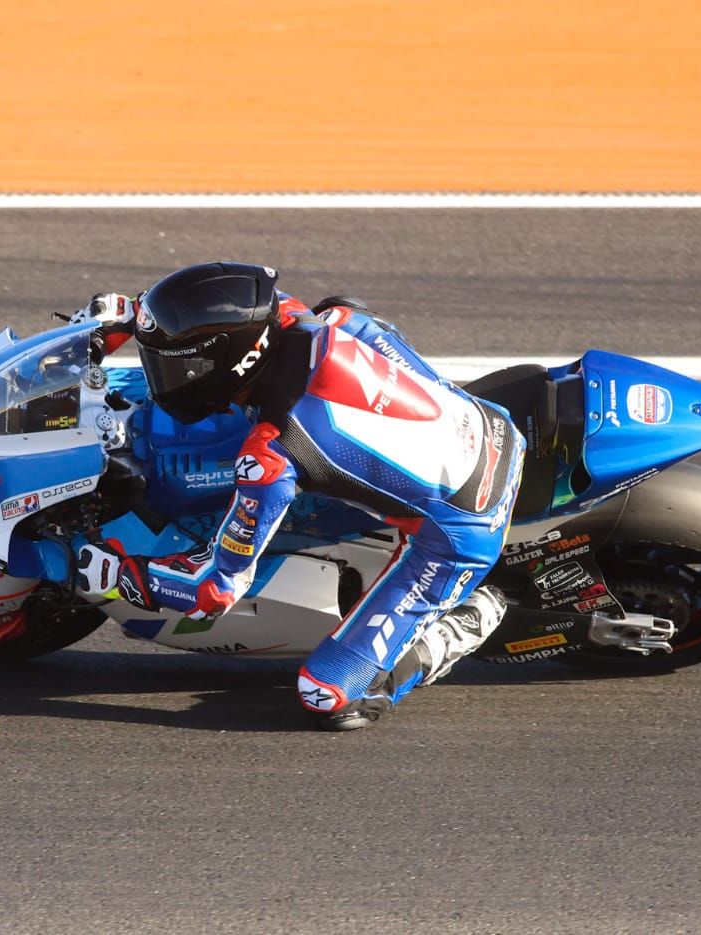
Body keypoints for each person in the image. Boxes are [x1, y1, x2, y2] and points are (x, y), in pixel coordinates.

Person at [72, 262, 524, 730]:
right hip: (484, 421)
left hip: (458, 528)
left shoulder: (272, 452)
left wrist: (125, 576)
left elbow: (217, 588)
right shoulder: (284, 316)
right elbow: (217, 310)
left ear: (233, 362)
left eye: (179, 367)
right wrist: (126, 320)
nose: (168, 376)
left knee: (325, 696)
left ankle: (472, 617)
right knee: (342, 315)